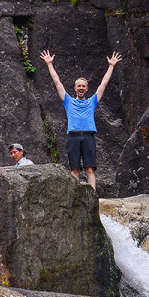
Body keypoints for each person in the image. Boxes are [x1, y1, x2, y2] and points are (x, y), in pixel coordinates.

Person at [40, 48, 121, 193]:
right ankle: (74, 197)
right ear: (75, 88)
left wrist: (111, 66)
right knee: (75, 169)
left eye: (83, 86)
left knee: (90, 168)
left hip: (88, 136)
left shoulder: (92, 101)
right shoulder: (68, 101)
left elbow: (104, 84)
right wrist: (49, 64)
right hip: (73, 136)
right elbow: (57, 82)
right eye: (79, 86)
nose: (81, 88)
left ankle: (92, 197)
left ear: (87, 88)